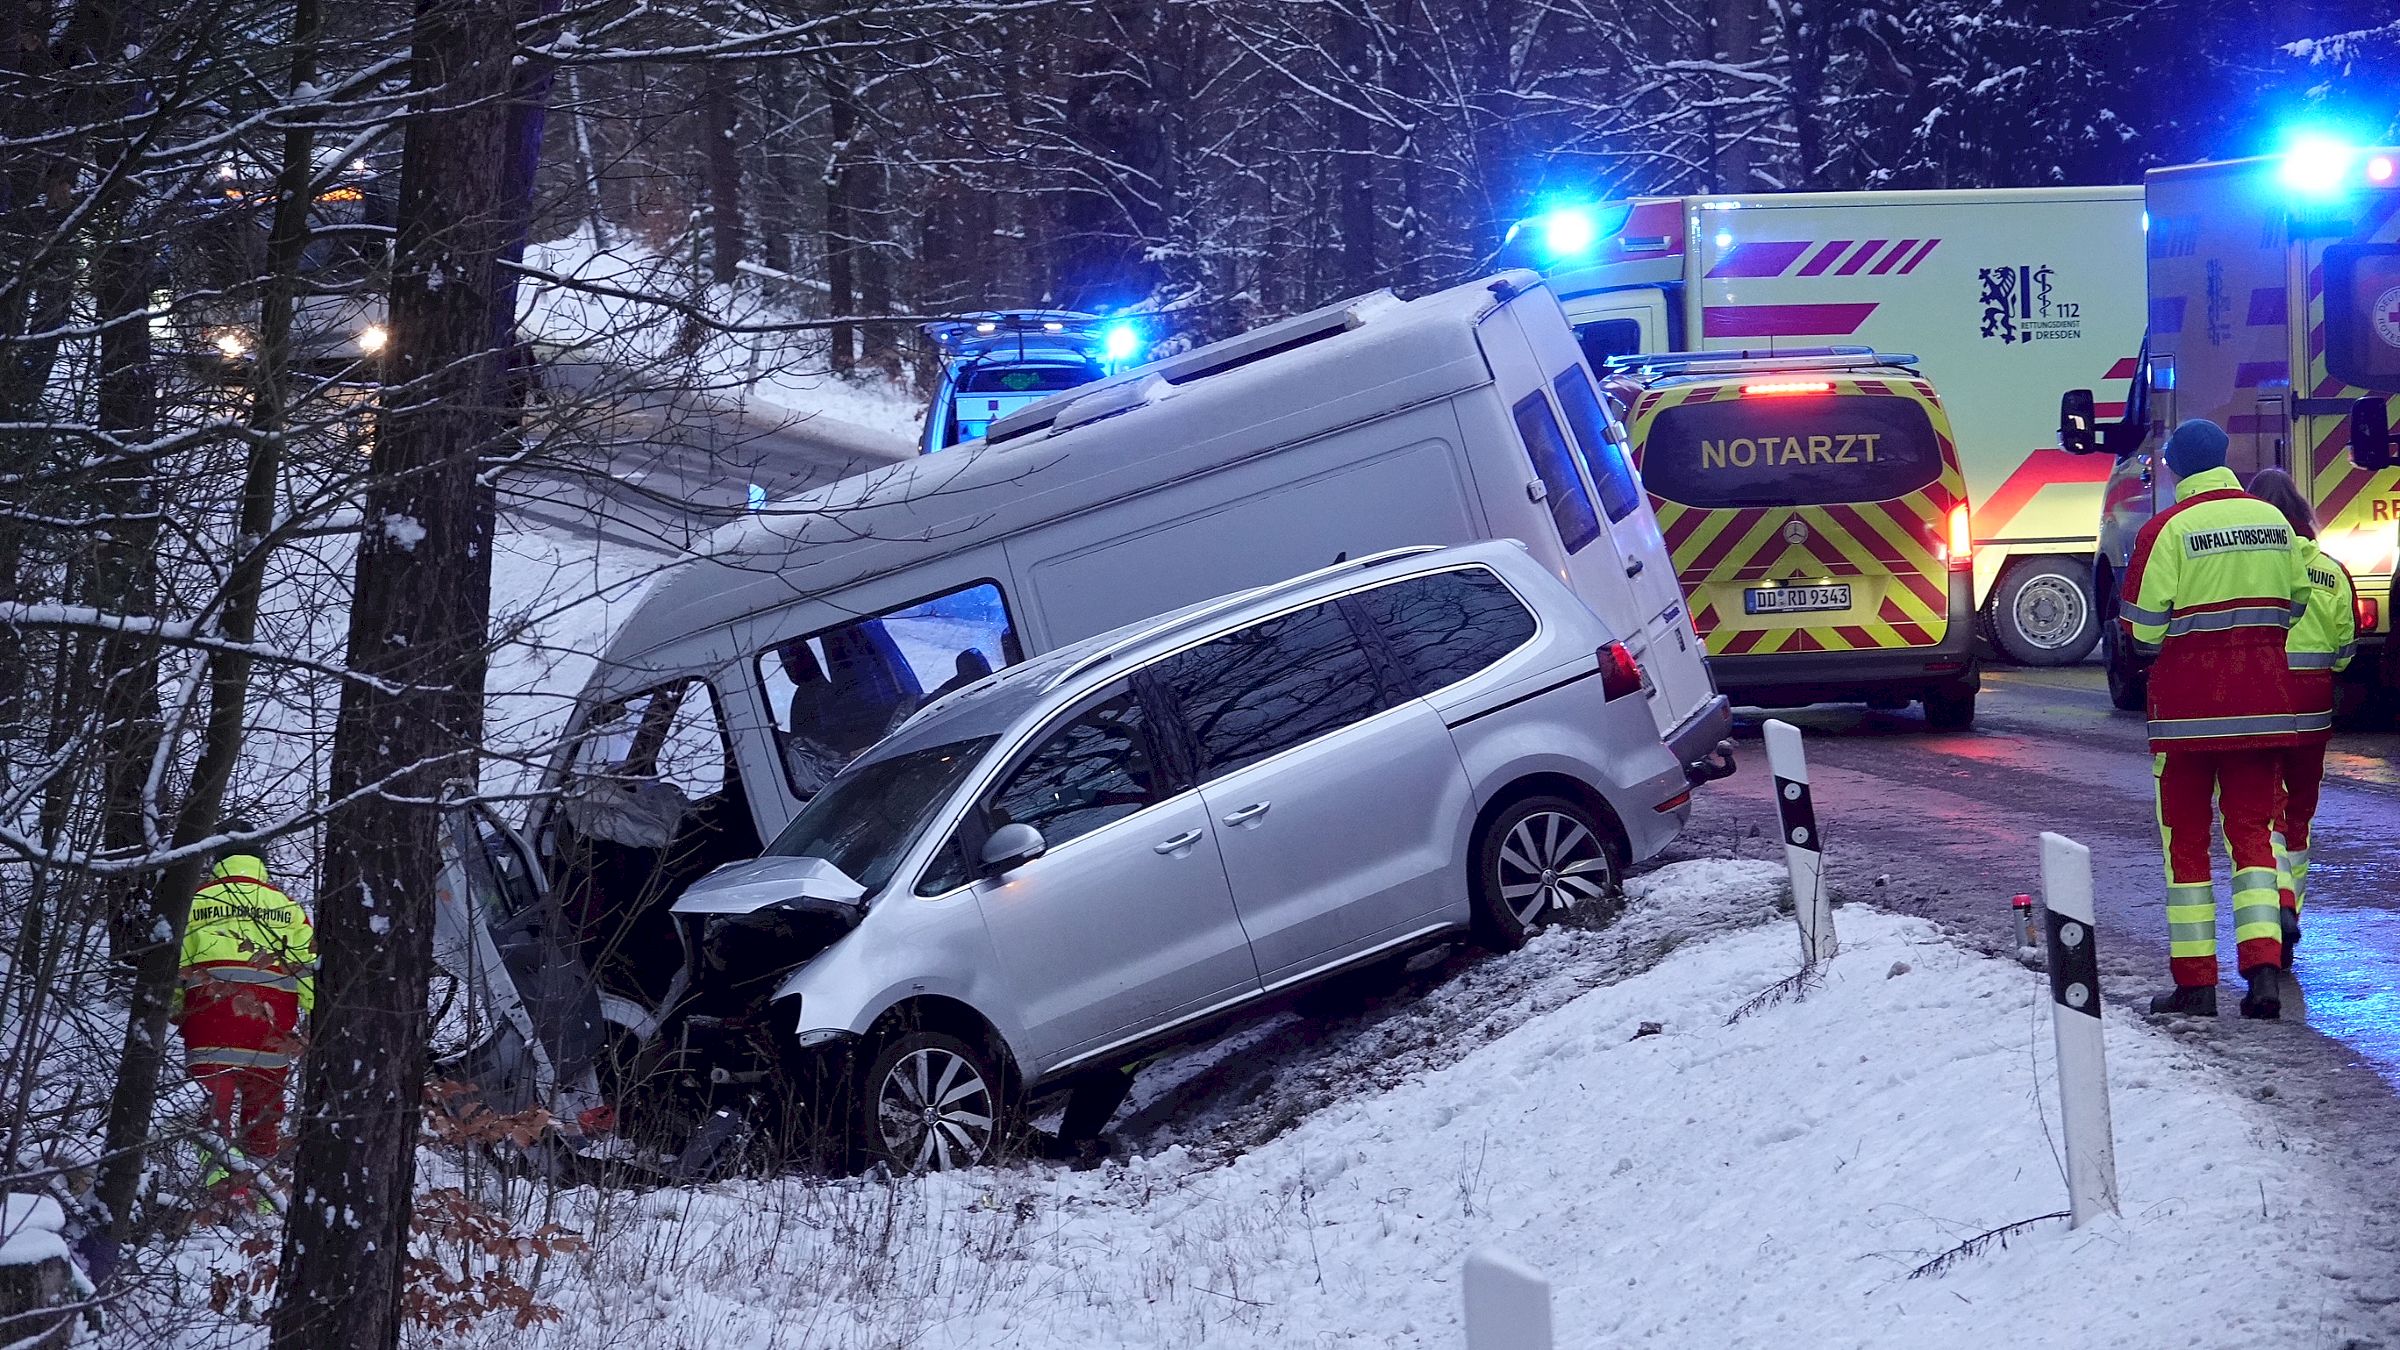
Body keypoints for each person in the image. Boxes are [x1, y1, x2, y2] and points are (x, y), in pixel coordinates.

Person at [2119, 421, 2311, 1019]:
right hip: (2262, 706)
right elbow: (2296, 603)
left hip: (2187, 714)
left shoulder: (2165, 529)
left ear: (2175, 468)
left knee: (2187, 845)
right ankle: (2262, 977)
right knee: (2254, 839)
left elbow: (2144, 627)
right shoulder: (2274, 523)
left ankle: (2196, 985)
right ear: (2224, 460)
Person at [2248, 467, 2356, 969]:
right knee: (2300, 817)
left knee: (2262, 808)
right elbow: (2345, 648)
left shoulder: (2253, 565)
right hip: (2314, 704)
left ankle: (2280, 906)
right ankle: (2292, 930)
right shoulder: (2332, 570)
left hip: (2263, 695)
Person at [174, 823, 316, 1189]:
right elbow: (309, 974)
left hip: (208, 1030)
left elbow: (173, 971)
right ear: (261, 861)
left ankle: (218, 1194)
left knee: (214, 1118)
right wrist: (316, 1020)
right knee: (263, 1119)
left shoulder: (195, 902)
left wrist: (178, 1013)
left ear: (217, 858)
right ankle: (262, 1197)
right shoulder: (287, 907)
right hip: (271, 1037)